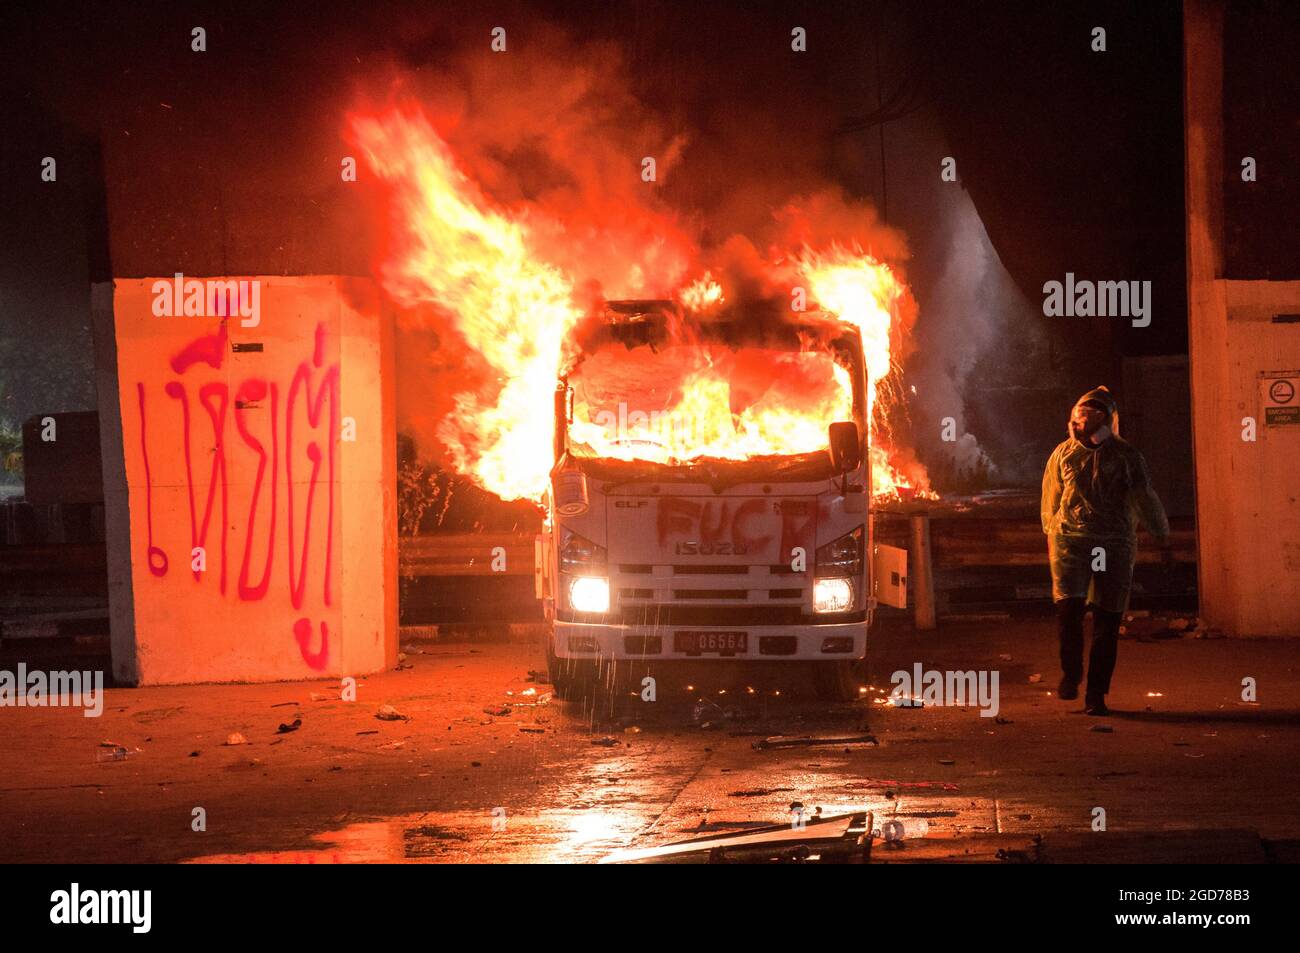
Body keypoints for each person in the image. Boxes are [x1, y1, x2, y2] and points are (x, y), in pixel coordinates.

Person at [1040, 386, 1170, 715]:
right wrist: (1053, 535)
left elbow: (1144, 497)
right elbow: (1051, 501)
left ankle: (1095, 694)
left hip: (1112, 546)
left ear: (1107, 423)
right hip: (1072, 543)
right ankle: (1071, 675)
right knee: (1069, 613)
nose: (1083, 431)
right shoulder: (1063, 455)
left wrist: (1160, 532)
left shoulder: (1126, 458)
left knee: (1106, 621)